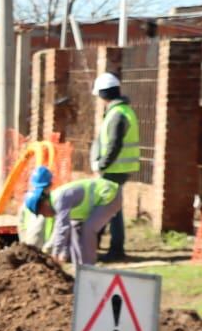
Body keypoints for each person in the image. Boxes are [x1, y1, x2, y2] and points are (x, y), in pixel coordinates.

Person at [25, 165, 124, 267]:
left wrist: (55, 255)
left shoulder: (60, 200)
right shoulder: (55, 203)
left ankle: (89, 269)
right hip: (103, 198)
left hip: (110, 194)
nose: (44, 216)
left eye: (41, 213)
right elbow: (65, 229)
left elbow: (62, 228)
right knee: (75, 226)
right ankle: (79, 269)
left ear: (43, 204)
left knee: (88, 228)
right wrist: (63, 252)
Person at [89, 71, 141, 261]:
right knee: (111, 207)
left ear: (103, 94)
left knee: (110, 208)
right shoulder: (122, 111)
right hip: (119, 168)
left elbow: (114, 145)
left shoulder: (117, 114)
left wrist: (101, 165)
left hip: (114, 169)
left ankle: (110, 247)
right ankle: (99, 243)